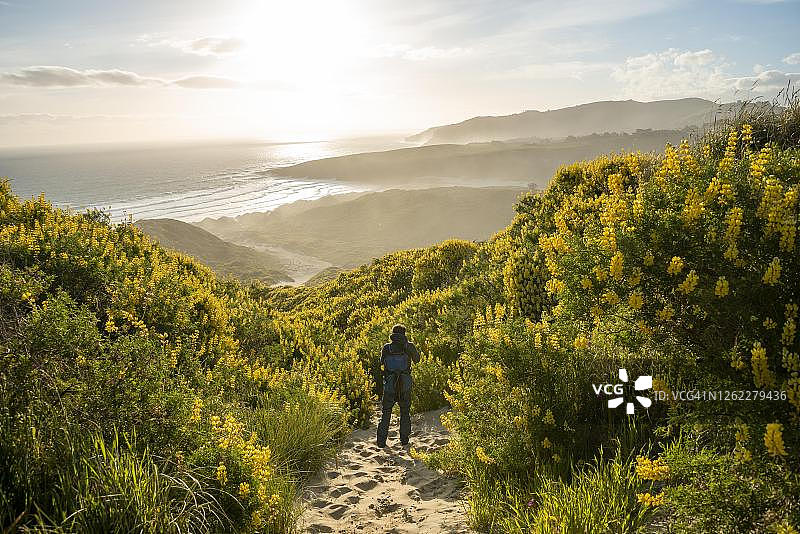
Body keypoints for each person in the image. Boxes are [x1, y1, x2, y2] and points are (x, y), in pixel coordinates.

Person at [376, 324, 420, 447]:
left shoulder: (387, 347)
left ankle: (381, 442)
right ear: (404, 334)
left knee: (386, 412)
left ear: (393, 334)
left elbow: (381, 362)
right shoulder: (409, 346)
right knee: (405, 412)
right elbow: (417, 360)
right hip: (404, 384)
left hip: (390, 384)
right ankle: (404, 440)